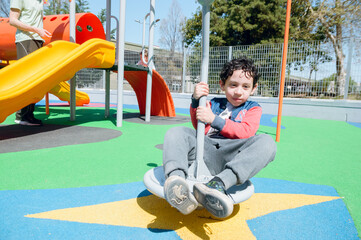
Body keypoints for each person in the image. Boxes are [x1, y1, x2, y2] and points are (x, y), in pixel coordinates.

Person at [162, 57, 277, 218]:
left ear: (253, 88)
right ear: (222, 85)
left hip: (231, 157)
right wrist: (196, 101)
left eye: (245, 87)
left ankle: (218, 184)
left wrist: (214, 119)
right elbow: (199, 125)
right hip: (204, 150)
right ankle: (176, 183)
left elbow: (246, 131)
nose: (238, 91)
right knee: (176, 132)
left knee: (267, 143)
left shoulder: (253, 108)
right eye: (233, 85)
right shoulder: (213, 103)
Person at [9, 0, 52, 126]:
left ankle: (26, 114)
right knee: (27, 78)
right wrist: (35, 29)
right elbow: (12, 20)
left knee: (35, 79)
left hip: (37, 39)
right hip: (26, 39)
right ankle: (23, 115)